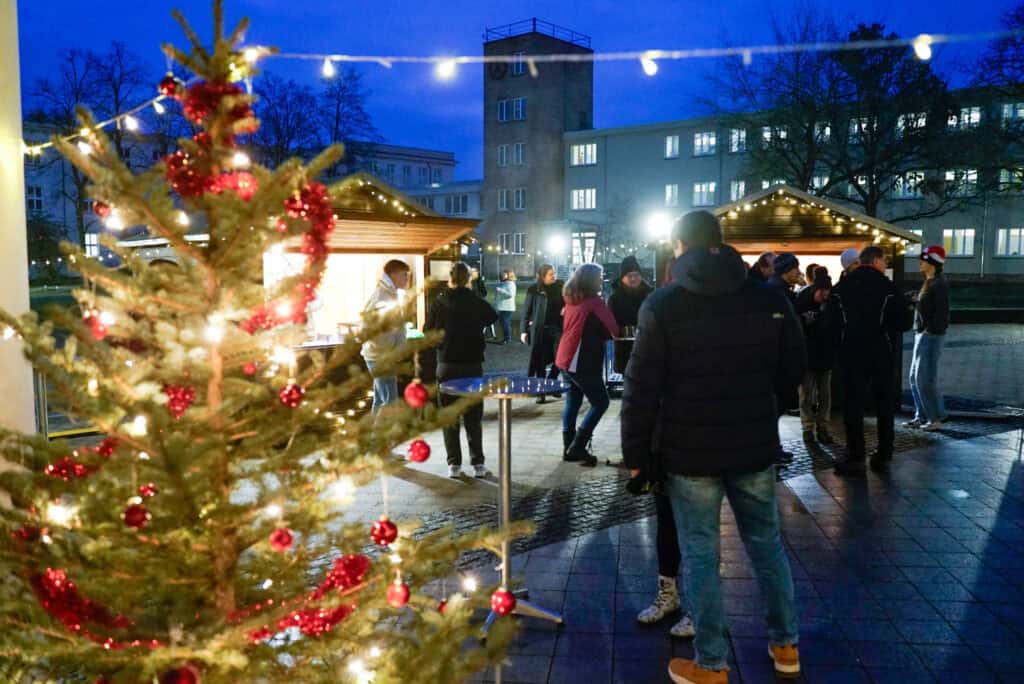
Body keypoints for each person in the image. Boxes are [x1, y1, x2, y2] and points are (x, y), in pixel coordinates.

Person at [622, 210, 806, 683]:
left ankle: (711, 664)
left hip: (690, 452)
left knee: (701, 554)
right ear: (721, 244)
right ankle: (785, 646)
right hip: (752, 444)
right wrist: (765, 407)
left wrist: (636, 458)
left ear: (680, 246)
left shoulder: (663, 305)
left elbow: (641, 388)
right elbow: (794, 368)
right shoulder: (768, 299)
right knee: (767, 545)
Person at [827, 246, 905, 475]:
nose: (886, 265)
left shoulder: (842, 288)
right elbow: (902, 322)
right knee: (884, 403)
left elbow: (830, 323)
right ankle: (884, 452)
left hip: (851, 352)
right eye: (885, 261)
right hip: (881, 352)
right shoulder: (888, 288)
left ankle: (855, 454)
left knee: (853, 404)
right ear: (876, 260)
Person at [425, 262, 498, 478]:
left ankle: (454, 466)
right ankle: (478, 464)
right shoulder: (475, 301)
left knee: (450, 416)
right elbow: (492, 317)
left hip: (446, 364)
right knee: (473, 417)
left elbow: (428, 331)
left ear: (450, 278)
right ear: (468, 278)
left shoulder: (439, 302)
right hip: (472, 364)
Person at [556, 264, 619, 466]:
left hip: (565, 357)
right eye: (600, 277)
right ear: (593, 280)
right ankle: (579, 445)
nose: (602, 280)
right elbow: (615, 329)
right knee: (601, 402)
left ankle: (568, 449)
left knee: (572, 402)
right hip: (582, 359)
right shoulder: (595, 302)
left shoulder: (571, 299)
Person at [906, 245, 950, 431]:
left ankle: (935, 418)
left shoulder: (938, 284)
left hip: (929, 336)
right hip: (923, 334)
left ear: (932, 264)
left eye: (923, 260)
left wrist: (928, 332)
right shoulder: (930, 282)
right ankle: (922, 416)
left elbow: (941, 313)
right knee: (915, 378)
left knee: (923, 378)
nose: (920, 262)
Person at [361, 259, 411, 413]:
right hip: (382, 357)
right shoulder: (383, 297)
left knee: (381, 400)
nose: (407, 279)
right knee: (389, 402)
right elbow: (372, 330)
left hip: (381, 355)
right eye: (404, 275)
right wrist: (391, 349)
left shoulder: (388, 294)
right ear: (393, 274)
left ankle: (374, 436)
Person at [795, 268, 835, 445]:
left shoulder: (829, 304)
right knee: (807, 395)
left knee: (823, 394)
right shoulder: (802, 302)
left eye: (827, 293)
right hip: (809, 356)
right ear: (815, 290)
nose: (824, 297)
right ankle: (809, 429)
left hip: (823, 355)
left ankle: (820, 428)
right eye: (822, 293)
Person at [521, 264, 565, 404]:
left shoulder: (560, 286)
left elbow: (570, 301)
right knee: (539, 361)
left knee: (561, 358)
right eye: (550, 274)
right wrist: (523, 330)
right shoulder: (533, 290)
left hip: (557, 328)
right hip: (539, 330)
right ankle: (541, 391)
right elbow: (526, 311)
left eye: (554, 273)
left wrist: (566, 308)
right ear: (542, 276)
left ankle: (551, 381)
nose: (554, 276)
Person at [608, 255, 653, 374]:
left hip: (648, 348)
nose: (633, 278)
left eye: (636, 275)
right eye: (629, 275)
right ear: (622, 278)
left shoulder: (650, 295)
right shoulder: (615, 298)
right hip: (625, 350)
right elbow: (612, 322)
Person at [494, 270, 517, 345]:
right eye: (502, 274)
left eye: (505, 274)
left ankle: (507, 338)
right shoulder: (502, 283)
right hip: (501, 307)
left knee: (505, 323)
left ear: (509, 275)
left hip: (507, 308)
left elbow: (510, 294)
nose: (502, 275)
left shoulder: (510, 284)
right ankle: (506, 338)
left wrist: (501, 290)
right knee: (503, 323)